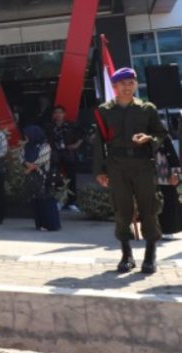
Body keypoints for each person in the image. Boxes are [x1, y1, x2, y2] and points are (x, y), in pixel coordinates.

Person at [94, 67, 169, 274]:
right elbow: (99, 142)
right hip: (116, 165)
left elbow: (161, 134)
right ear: (115, 87)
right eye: (122, 84)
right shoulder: (104, 111)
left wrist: (149, 139)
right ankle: (126, 256)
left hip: (143, 164)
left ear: (136, 85)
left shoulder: (147, 108)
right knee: (121, 210)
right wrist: (100, 170)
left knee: (149, 208)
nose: (127, 87)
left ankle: (150, 256)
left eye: (131, 83)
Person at [23, 125, 60, 231]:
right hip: (32, 178)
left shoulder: (45, 146)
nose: (26, 137)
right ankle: (40, 224)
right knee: (36, 200)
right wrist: (27, 164)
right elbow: (22, 157)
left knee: (47, 200)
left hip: (44, 177)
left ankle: (51, 225)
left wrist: (29, 168)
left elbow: (41, 160)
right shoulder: (27, 146)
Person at [46, 105, 83, 212]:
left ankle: (71, 202)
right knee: (55, 177)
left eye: (60, 112)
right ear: (53, 115)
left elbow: (82, 135)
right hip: (55, 155)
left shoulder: (71, 125)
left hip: (68, 154)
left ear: (64, 114)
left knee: (71, 178)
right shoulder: (49, 127)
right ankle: (59, 201)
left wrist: (76, 145)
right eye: (56, 113)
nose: (58, 115)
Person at [155, 135, 182, 239]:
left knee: (168, 202)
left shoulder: (163, 136)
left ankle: (168, 230)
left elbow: (173, 156)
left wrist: (175, 173)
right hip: (147, 176)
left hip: (165, 175)